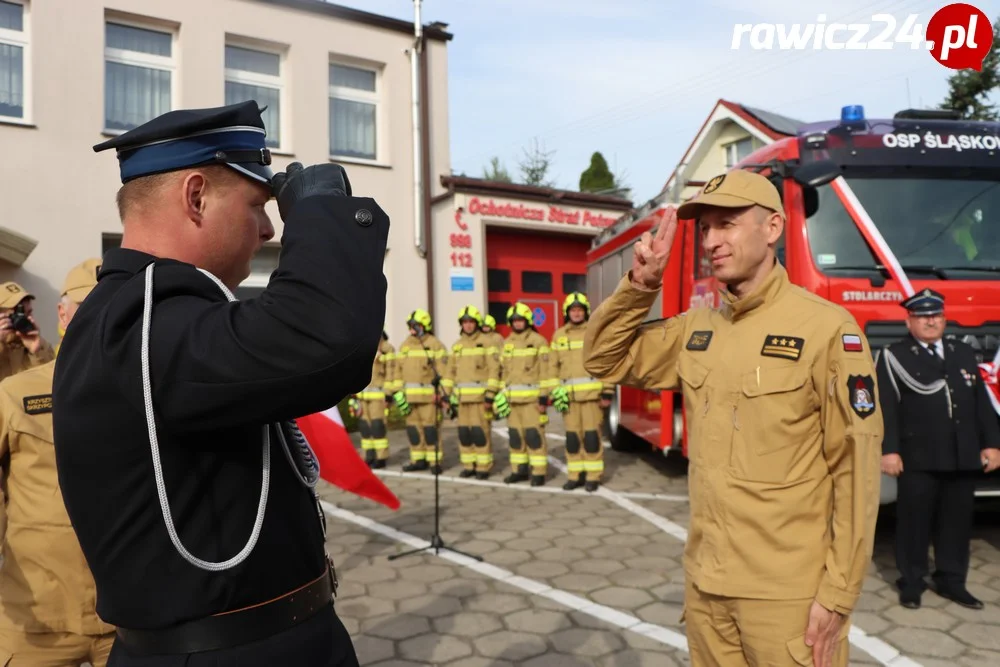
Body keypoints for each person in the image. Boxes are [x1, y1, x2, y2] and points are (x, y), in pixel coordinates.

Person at [51, 101, 389, 666]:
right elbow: (324, 337)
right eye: (258, 205)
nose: (266, 229)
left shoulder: (151, 313)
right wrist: (322, 213)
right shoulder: (142, 320)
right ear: (196, 196)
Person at [583, 170, 883, 667]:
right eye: (705, 229)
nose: (711, 241)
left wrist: (837, 594)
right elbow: (602, 358)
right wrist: (641, 285)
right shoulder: (698, 328)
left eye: (726, 224)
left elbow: (856, 471)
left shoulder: (827, 329)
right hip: (706, 586)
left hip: (785, 596)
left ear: (772, 228)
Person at [0, 258, 117, 666]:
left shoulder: (149, 388)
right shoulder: (15, 394)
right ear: (63, 312)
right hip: (37, 622)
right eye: (90, 307)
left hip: (129, 620)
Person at [875, 288, 1000, 610]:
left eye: (936, 316)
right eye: (923, 317)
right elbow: (886, 407)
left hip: (962, 454)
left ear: (944, 319)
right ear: (910, 321)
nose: (931, 322)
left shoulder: (962, 353)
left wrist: (992, 444)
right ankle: (912, 581)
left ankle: (952, 580)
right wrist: (889, 450)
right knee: (914, 523)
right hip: (918, 456)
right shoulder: (894, 355)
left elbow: (980, 404)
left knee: (956, 524)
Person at [549, 292, 614, 492]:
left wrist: (607, 391)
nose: (576, 313)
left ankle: (593, 477)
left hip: (592, 399)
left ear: (585, 311)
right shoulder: (559, 336)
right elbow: (552, 367)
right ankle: (574, 476)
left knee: (592, 439)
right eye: (573, 310)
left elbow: (606, 363)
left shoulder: (595, 332)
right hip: (568, 400)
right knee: (572, 440)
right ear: (567, 312)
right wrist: (554, 391)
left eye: (579, 310)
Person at [492, 302, 555, 486]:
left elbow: (546, 372)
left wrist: (544, 397)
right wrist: (500, 396)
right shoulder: (507, 343)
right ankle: (519, 470)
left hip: (532, 402)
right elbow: (503, 372)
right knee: (515, 437)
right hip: (512, 402)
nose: (518, 323)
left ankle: (539, 473)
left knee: (534, 437)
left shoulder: (538, 341)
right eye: (515, 320)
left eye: (520, 320)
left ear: (527, 321)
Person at [441, 306, 500, 479]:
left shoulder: (487, 343)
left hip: (480, 399)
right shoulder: (457, 346)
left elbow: (494, 370)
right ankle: (469, 465)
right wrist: (446, 394)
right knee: (464, 434)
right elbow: (449, 372)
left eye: (471, 322)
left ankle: (483, 467)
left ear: (477, 323)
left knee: (480, 433)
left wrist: (491, 394)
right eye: (465, 322)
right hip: (461, 400)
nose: (468, 326)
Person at [391, 309, 448, 473]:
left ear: (425, 326)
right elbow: (397, 371)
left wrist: (442, 394)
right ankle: (418, 459)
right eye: (411, 325)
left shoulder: (435, 344)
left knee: (431, 430)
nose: (413, 329)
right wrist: (397, 391)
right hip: (410, 398)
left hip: (430, 399)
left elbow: (444, 371)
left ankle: (434, 462)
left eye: (416, 325)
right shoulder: (405, 345)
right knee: (414, 431)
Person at [351, 330, 395, 468]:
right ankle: (369, 455)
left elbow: (391, 373)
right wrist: (353, 394)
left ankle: (381, 457)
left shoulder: (387, 349)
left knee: (377, 427)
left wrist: (388, 394)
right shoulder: (363, 346)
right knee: (365, 428)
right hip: (362, 397)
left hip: (378, 398)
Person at [0, 282, 54, 381]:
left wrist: (36, 353)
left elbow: (49, 384)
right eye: (16, 314)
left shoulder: (43, 347)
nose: (24, 319)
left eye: (28, 313)